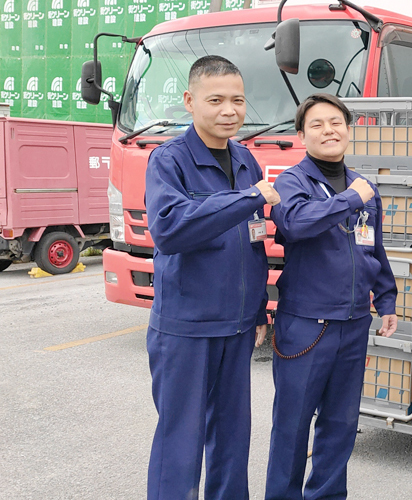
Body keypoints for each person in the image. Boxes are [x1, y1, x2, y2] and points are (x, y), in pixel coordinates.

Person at [144, 55, 280, 500]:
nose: (229, 110)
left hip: (236, 326)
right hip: (187, 326)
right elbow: (170, 230)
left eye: (237, 100)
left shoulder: (245, 160)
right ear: (190, 101)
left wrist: (258, 309)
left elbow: (254, 242)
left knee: (232, 438)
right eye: (216, 100)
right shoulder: (169, 160)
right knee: (180, 441)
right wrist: (246, 199)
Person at [265, 93, 398, 500]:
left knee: (340, 424)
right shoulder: (292, 182)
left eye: (336, 122)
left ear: (348, 129)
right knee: (292, 424)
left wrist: (386, 299)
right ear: (301, 135)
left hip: (354, 322)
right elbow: (297, 223)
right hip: (307, 324)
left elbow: (373, 247)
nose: (329, 130)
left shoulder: (363, 187)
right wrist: (351, 199)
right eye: (317, 124)